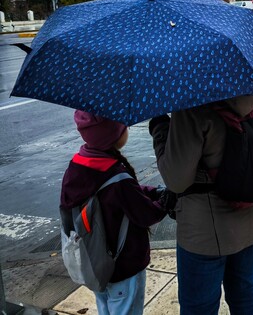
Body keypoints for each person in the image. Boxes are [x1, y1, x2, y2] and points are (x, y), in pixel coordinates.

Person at [149, 90, 253, 315]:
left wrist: (160, 128)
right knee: (244, 290)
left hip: (205, 229)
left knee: (198, 306)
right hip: (252, 213)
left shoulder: (191, 100)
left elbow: (177, 179)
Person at [61, 111, 173, 315]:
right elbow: (145, 214)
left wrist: (152, 192)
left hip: (97, 262)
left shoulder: (77, 165)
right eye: (123, 126)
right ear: (113, 135)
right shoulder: (117, 178)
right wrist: (166, 201)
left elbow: (127, 194)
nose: (127, 128)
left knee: (106, 307)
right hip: (124, 266)